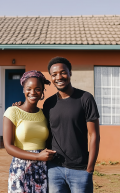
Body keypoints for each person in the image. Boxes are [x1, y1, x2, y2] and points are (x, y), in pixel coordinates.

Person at [14, 57, 101, 193]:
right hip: (54, 169)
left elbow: (94, 134)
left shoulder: (85, 98)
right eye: (54, 75)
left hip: (80, 170)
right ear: (51, 77)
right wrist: (20, 106)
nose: (59, 77)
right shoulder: (49, 104)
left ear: (70, 73)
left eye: (63, 72)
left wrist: (90, 168)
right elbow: (34, 118)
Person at [3, 70, 56, 193]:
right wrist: (37, 156)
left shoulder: (44, 114)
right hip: (20, 168)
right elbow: (8, 146)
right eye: (29, 88)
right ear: (23, 90)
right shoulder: (12, 112)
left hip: (41, 168)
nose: (33, 92)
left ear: (43, 91)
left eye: (37, 89)